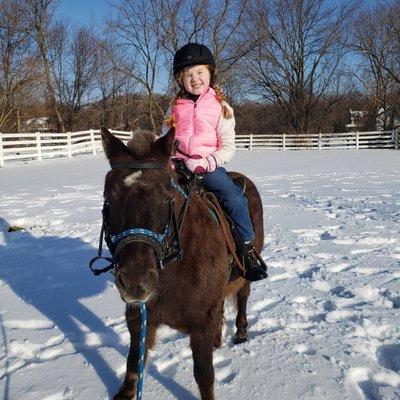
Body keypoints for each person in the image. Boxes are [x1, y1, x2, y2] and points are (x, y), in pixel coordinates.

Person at [161, 42, 267, 282]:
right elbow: (164, 137)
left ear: (210, 73)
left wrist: (208, 162)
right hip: (177, 165)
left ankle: (247, 248)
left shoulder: (221, 107)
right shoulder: (174, 107)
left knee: (233, 198)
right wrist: (167, 158)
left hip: (207, 166)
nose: (194, 79)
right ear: (180, 80)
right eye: (187, 75)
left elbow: (228, 145)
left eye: (199, 72)